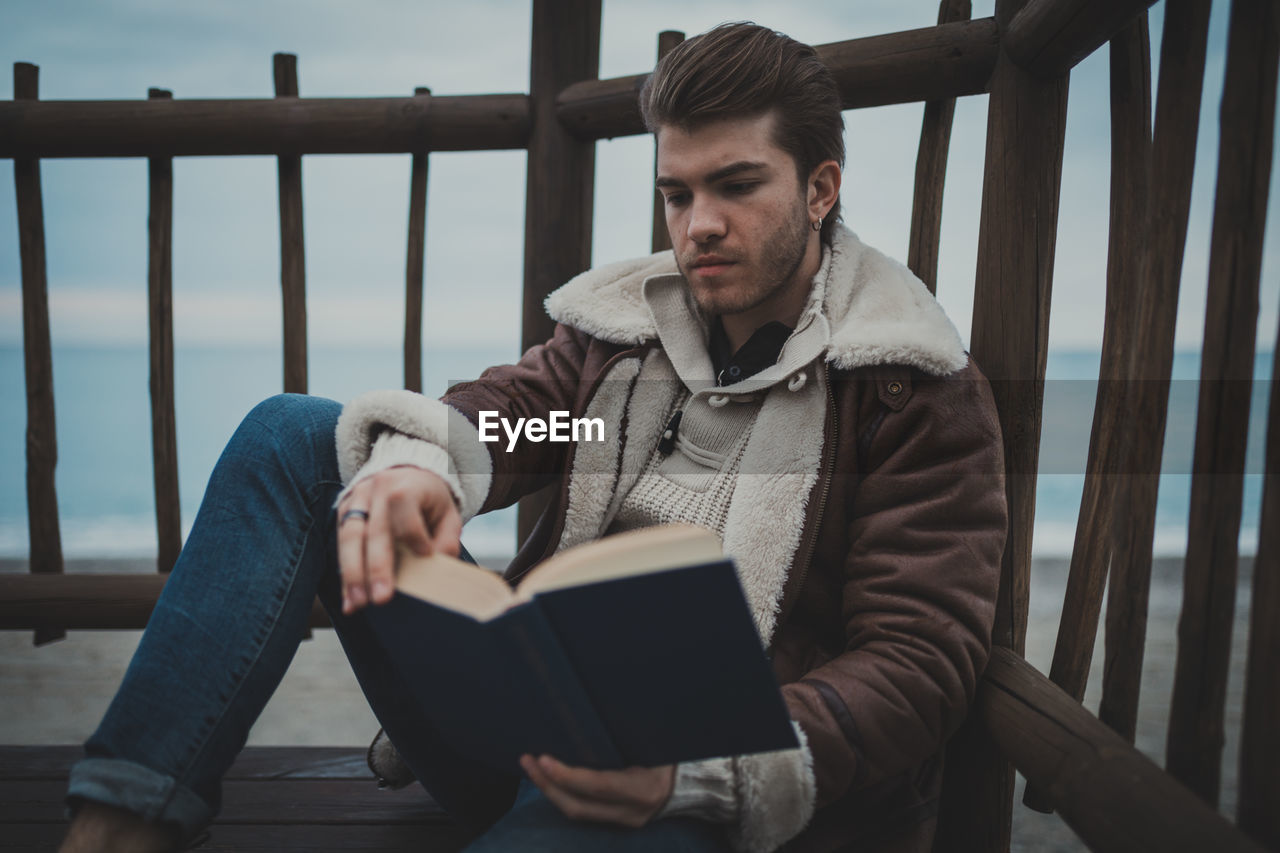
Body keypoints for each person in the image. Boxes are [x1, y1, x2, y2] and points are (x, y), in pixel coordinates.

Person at [59, 21, 1006, 853]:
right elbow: (531, 414)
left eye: (736, 185)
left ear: (820, 188)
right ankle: (120, 821)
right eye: (676, 194)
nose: (699, 226)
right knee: (294, 436)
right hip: (521, 726)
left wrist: (700, 772)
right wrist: (426, 466)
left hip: (699, 798)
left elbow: (919, 663)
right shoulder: (629, 338)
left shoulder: (904, 389)